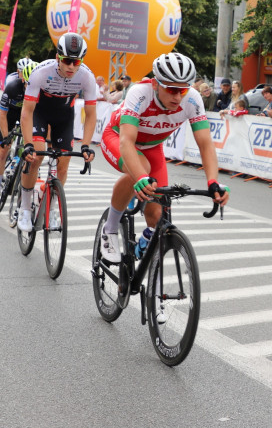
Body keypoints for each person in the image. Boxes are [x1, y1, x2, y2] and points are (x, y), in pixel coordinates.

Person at [98, 51, 230, 265]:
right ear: (156, 84)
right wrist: (141, 177)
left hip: (152, 146)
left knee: (157, 214)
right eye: (171, 89)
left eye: (183, 90)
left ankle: (146, 244)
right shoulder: (140, 92)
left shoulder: (193, 100)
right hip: (118, 138)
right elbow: (126, 143)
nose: (178, 97)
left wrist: (213, 182)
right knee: (141, 170)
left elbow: (205, 144)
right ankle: (110, 228)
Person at [16, 33, 98, 232]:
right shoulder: (41, 72)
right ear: (57, 57)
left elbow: (91, 114)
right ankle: (25, 208)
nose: (71, 66)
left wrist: (86, 144)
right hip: (40, 113)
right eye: (66, 61)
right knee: (36, 154)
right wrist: (27, 143)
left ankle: (51, 207)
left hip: (64, 118)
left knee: (63, 165)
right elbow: (27, 111)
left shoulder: (86, 77)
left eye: (76, 61)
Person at [0, 58, 36, 209]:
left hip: (26, 117)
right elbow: (2, 115)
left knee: (29, 151)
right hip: (9, 115)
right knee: (3, 150)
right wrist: (5, 137)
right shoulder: (12, 86)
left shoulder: (38, 88)